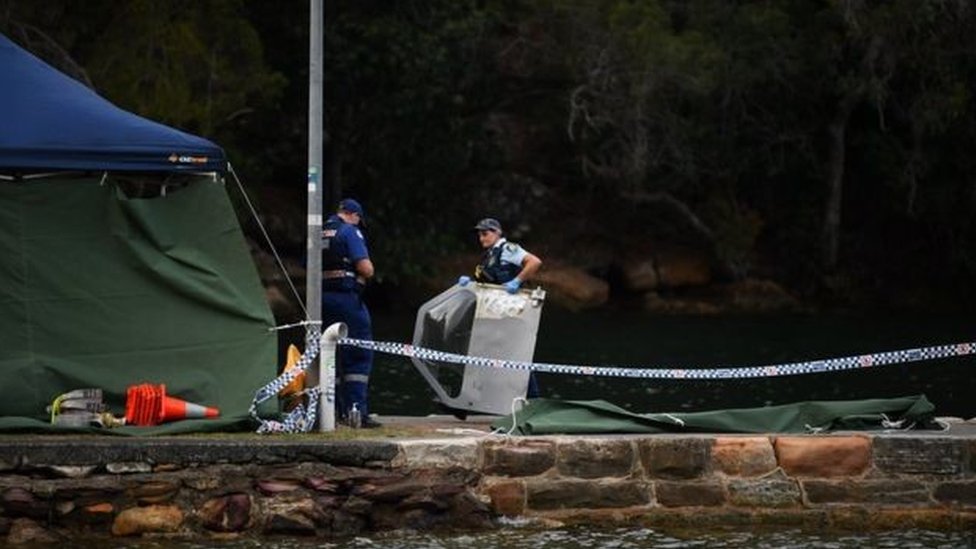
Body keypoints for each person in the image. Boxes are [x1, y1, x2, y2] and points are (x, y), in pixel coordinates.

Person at [458, 217, 543, 397]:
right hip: (494, 314)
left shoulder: (508, 249)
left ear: (497, 233)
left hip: (513, 314)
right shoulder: (488, 256)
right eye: (479, 235)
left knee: (517, 357)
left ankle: (534, 399)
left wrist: (517, 281)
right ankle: (471, 398)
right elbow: (488, 283)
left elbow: (534, 262)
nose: (481, 238)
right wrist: (470, 283)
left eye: (485, 233)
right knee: (483, 353)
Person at [321, 198, 381, 428]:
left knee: (329, 354)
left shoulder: (317, 232)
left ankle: (332, 411)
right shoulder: (350, 232)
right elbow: (365, 267)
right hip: (347, 300)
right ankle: (356, 412)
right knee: (358, 353)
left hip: (321, 301)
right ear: (354, 215)